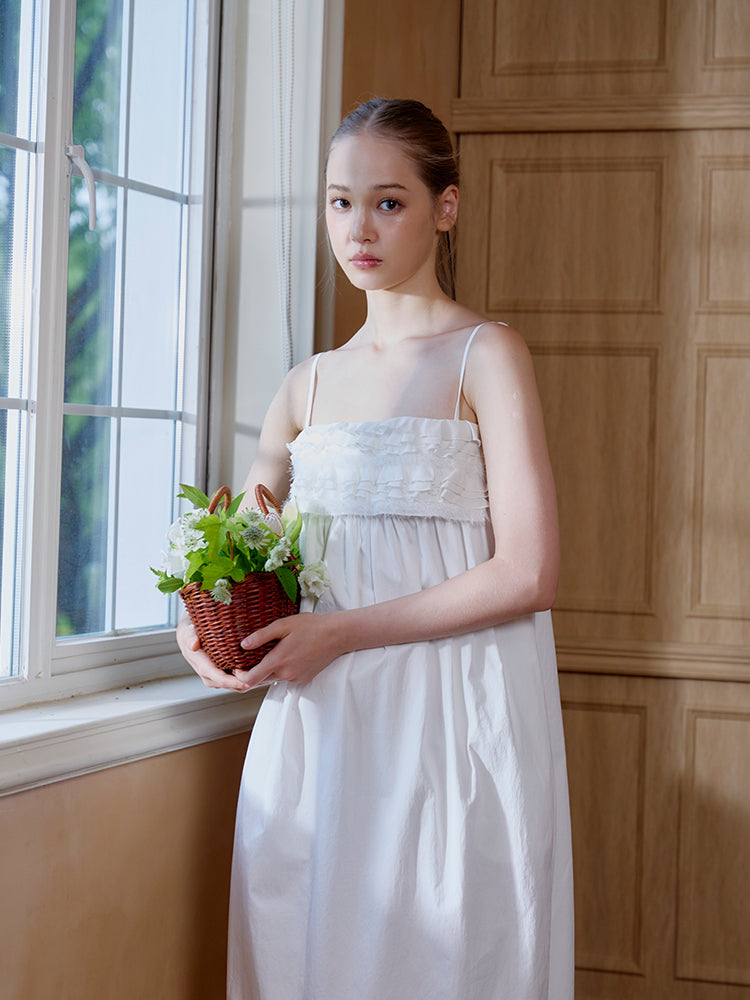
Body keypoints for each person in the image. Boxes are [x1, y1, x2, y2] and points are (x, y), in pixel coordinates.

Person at [177, 98, 574, 1000]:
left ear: (446, 207)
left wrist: (342, 632)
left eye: (388, 202)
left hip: (452, 711)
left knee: (446, 948)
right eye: (339, 202)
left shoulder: (487, 355)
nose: (358, 228)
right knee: (310, 943)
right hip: (323, 716)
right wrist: (195, 631)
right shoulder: (304, 387)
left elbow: (532, 571)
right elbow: (235, 556)